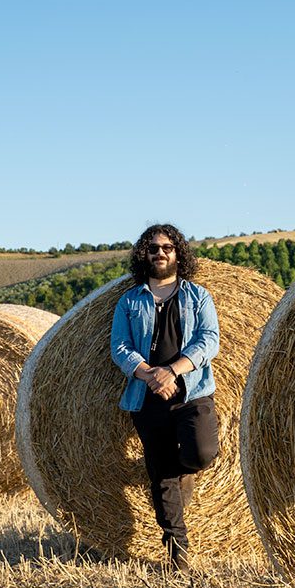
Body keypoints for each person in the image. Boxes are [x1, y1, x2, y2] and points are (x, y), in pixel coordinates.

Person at [110, 224, 221, 569]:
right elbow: (120, 347)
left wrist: (172, 371)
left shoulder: (197, 296)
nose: (160, 253)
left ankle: (184, 469)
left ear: (178, 253)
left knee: (202, 454)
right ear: (144, 254)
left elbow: (209, 340)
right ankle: (177, 550)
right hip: (147, 397)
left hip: (192, 391)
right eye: (153, 248)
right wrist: (150, 375)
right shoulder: (130, 301)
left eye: (167, 247)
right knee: (161, 475)